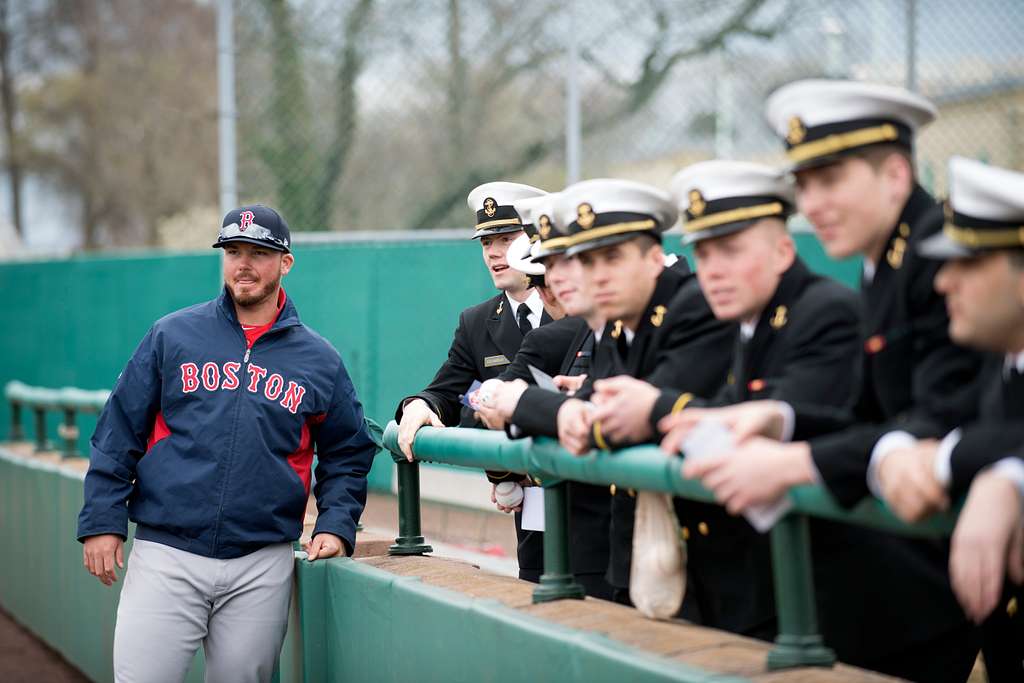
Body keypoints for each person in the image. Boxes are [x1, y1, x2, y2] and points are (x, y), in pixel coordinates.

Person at [665, 80, 984, 681]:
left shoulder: (937, 257)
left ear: (894, 175)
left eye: (830, 179)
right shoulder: (887, 259)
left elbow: (946, 416)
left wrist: (794, 463)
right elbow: (875, 413)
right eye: (804, 184)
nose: (812, 203)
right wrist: (774, 418)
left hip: (929, 589)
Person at [77, 205, 376, 683]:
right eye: (233, 251)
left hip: (261, 561)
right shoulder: (173, 335)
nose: (244, 264)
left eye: (259, 253)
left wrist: (337, 523)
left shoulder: (319, 359)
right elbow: (118, 431)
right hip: (167, 552)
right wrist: (101, 519)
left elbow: (347, 451)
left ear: (285, 263)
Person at [591, 160, 861, 639]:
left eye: (731, 251)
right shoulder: (750, 319)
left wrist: (656, 408)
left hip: (860, 603)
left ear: (783, 251)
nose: (713, 271)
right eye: (705, 254)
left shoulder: (824, 311)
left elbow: (778, 420)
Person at [493, 178, 734, 604]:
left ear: (655, 256)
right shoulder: (621, 322)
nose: (595, 275)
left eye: (612, 257)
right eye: (587, 260)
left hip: (713, 561)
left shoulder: (690, 308)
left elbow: (612, 420)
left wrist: (521, 403)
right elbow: (590, 408)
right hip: (645, 555)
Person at [873, 157, 1024, 681]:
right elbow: (947, 418)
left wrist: (1005, 477)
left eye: (968, 263)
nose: (943, 283)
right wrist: (901, 448)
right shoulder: (1002, 365)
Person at [394, 181, 552, 583]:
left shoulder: (575, 307)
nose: (494, 253)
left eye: (506, 238)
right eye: (486, 243)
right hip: (532, 514)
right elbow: (446, 390)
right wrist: (421, 405)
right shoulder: (478, 321)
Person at [477, 196, 615, 599]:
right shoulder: (479, 320)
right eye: (545, 272)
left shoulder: (582, 328)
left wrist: (520, 404)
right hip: (547, 518)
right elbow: (468, 406)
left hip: (605, 532)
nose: (552, 284)